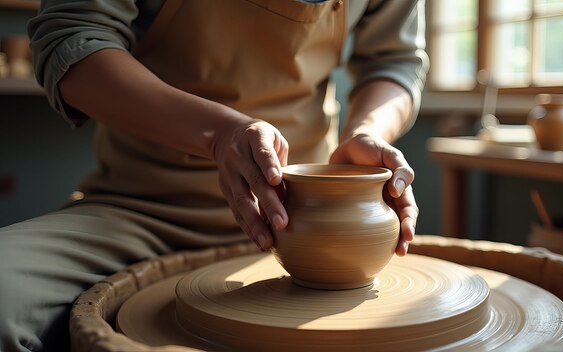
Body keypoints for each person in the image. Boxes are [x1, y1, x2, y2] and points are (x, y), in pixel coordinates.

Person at [0, 0, 428, 350]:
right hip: (141, 211)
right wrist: (219, 134)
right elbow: (70, 38)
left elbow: (394, 60)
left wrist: (367, 132)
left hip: (297, 221)